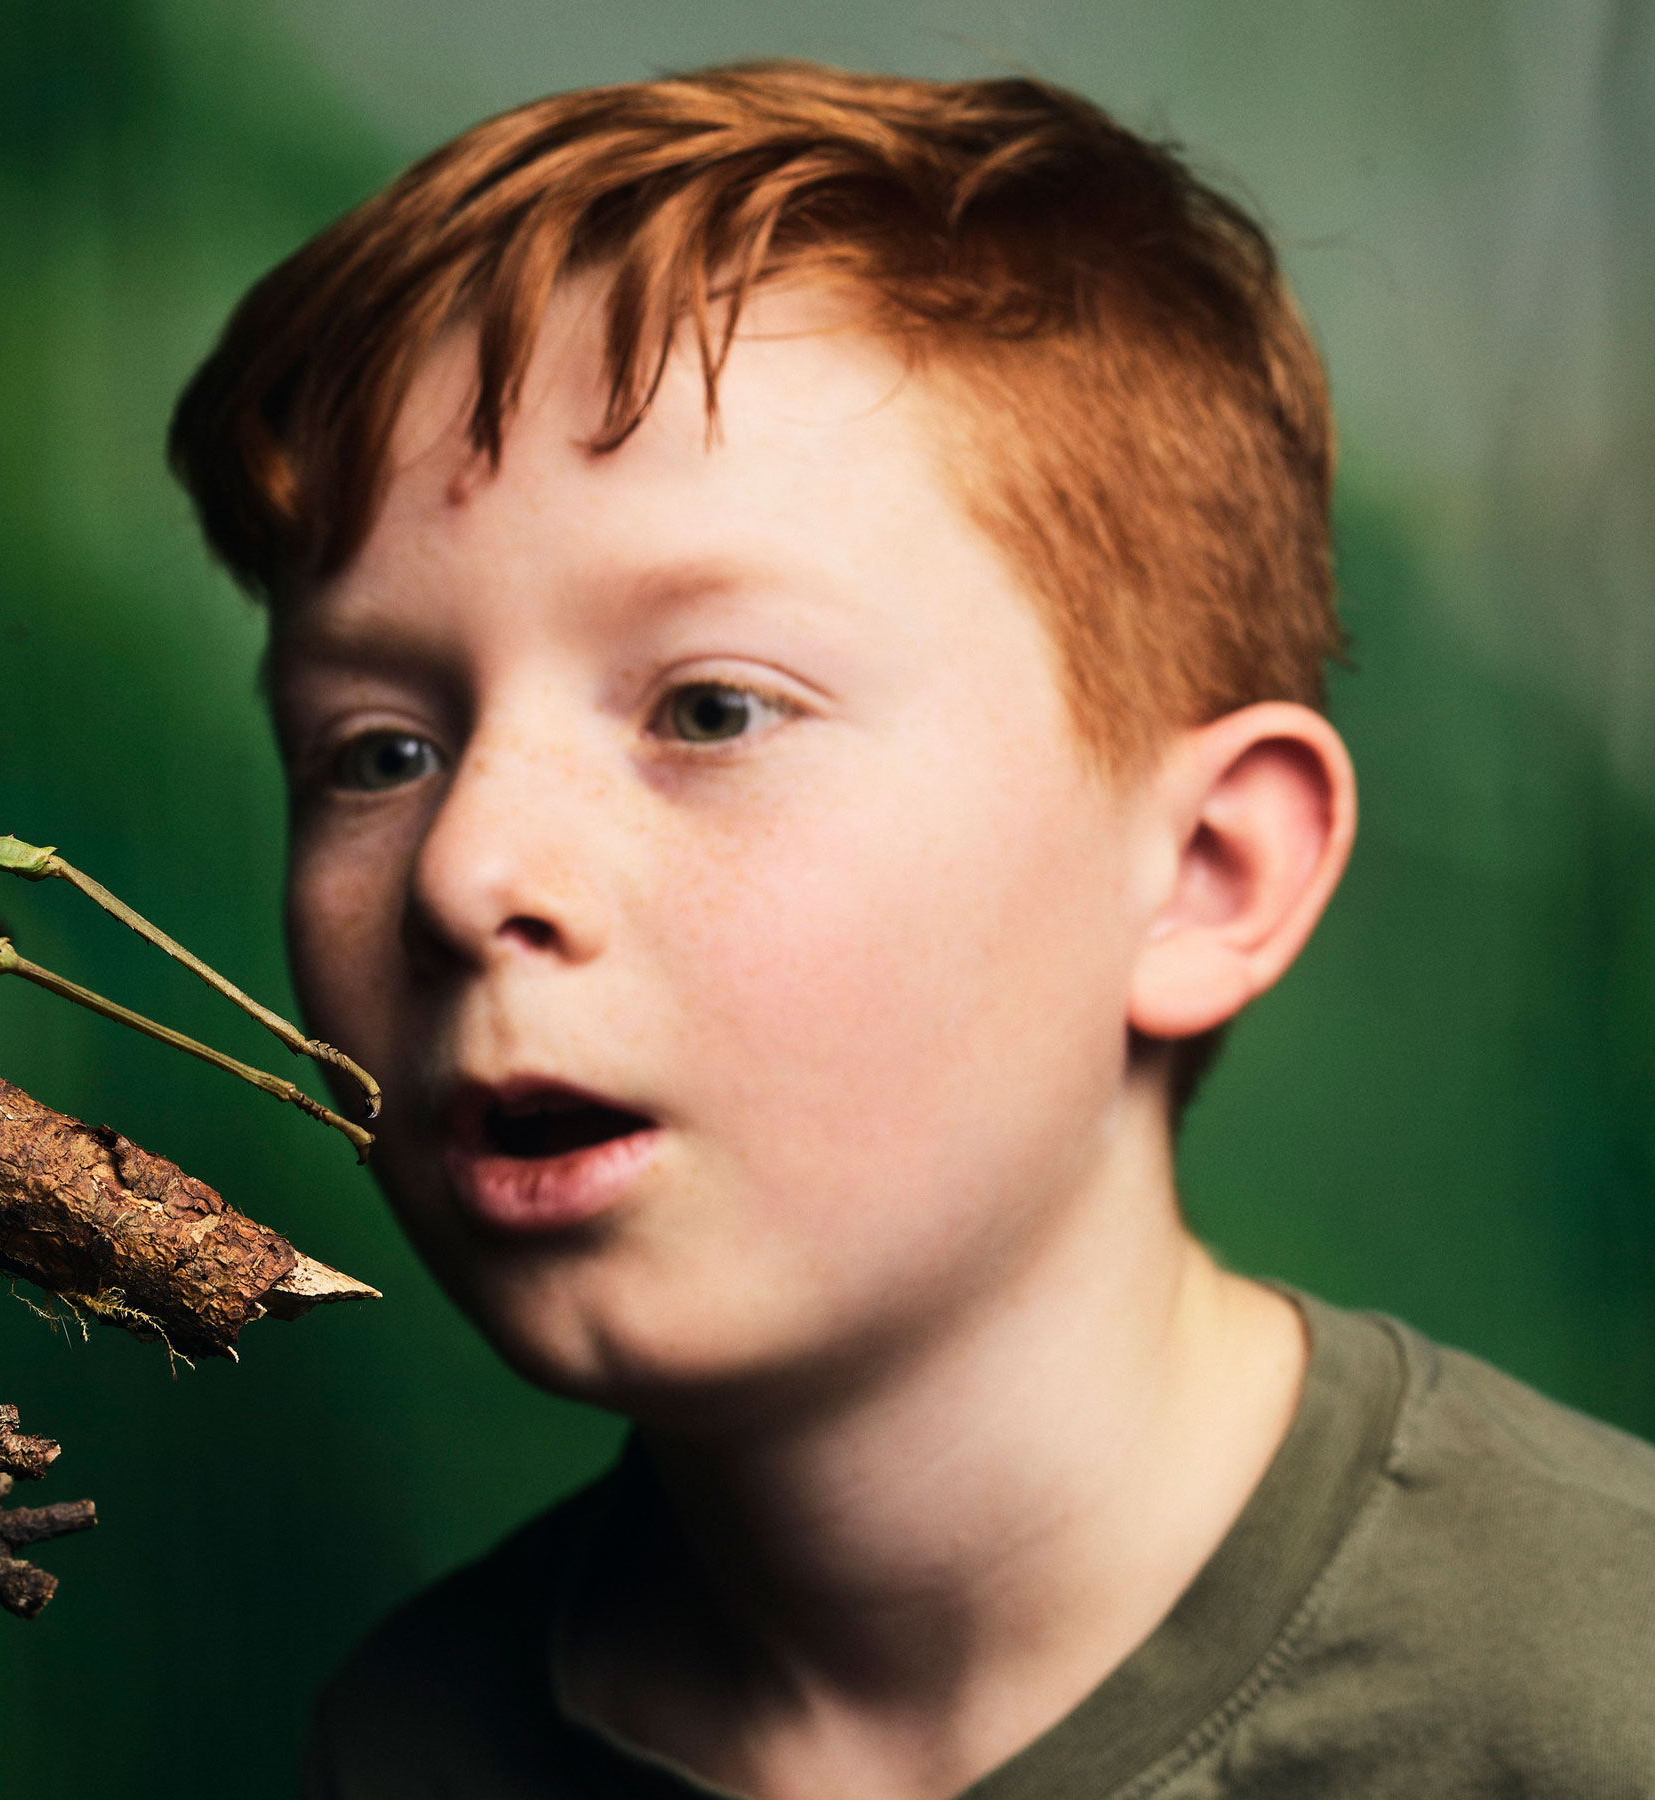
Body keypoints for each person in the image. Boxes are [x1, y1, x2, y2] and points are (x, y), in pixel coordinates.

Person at [166, 62, 1655, 1799]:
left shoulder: (1594, 1707)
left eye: (713, 710)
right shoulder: (408, 1743)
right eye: (378, 752)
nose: (462, 869)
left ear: (1205, 876)